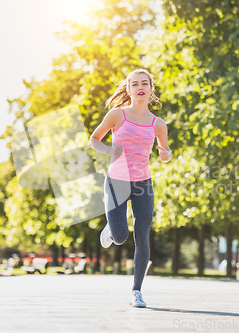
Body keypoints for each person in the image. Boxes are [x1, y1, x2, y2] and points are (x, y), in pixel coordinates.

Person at [89, 68, 172, 308]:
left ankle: (136, 291)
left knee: (142, 236)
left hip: (142, 183)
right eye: (134, 84)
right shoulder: (117, 115)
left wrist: (165, 154)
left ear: (151, 89)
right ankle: (111, 230)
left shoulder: (158, 124)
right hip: (116, 181)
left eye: (144, 83)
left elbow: (164, 153)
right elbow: (95, 139)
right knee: (121, 236)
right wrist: (108, 150)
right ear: (129, 89)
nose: (140, 87)